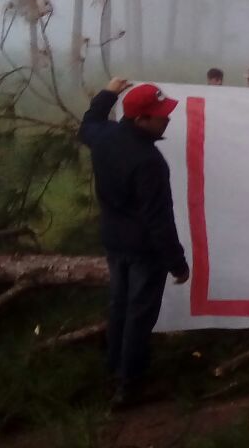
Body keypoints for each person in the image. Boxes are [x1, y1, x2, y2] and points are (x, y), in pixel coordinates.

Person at [78, 79, 189, 409]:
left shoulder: (105, 137)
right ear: (141, 119)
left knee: (119, 308)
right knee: (139, 315)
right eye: (160, 115)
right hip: (144, 252)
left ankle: (114, 369)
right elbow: (158, 220)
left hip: (114, 242)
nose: (167, 119)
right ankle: (129, 386)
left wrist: (109, 91)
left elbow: (88, 122)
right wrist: (177, 263)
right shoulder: (149, 163)